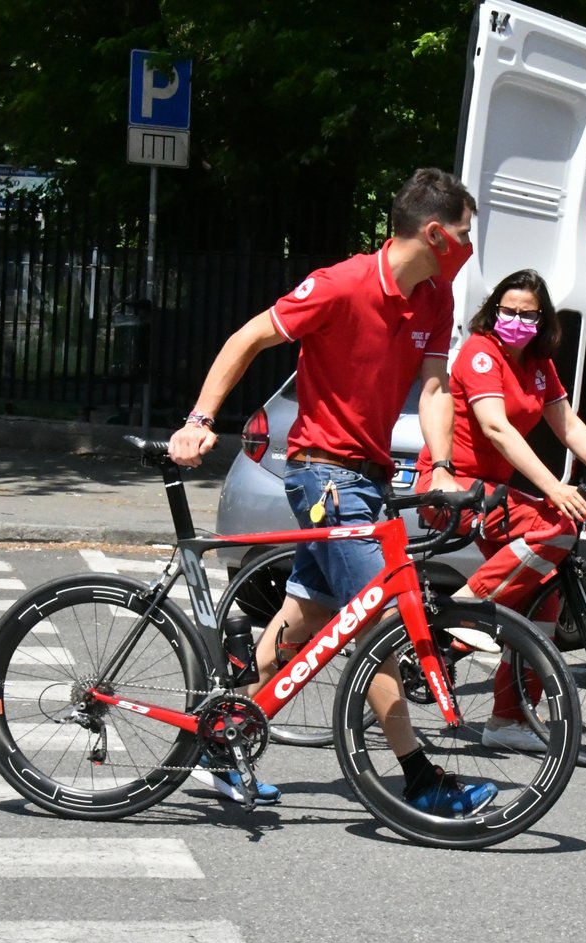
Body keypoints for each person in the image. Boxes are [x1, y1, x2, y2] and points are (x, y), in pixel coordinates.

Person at [169, 166, 495, 814]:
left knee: (307, 618)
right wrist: (200, 420)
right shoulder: (341, 285)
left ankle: (222, 733)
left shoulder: (434, 298)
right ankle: (419, 775)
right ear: (435, 232)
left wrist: (439, 466)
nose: (469, 245)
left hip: (368, 479)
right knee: (375, 619)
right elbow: (249, 336)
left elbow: (434, 387)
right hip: (322, 474)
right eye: (464, 233)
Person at [417, 269, 586, 752]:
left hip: (491, 492)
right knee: (556, 524)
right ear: (494, 309)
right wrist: (554, 487)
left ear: (542, 319)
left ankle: (509, 721)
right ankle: (465, 614)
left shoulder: (538, 363)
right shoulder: (480, 352)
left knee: (544, 600)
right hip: (452, 488)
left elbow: (568, 425)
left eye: (527, 313)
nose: (515, 320)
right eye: (508, 310)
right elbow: (496, 428)